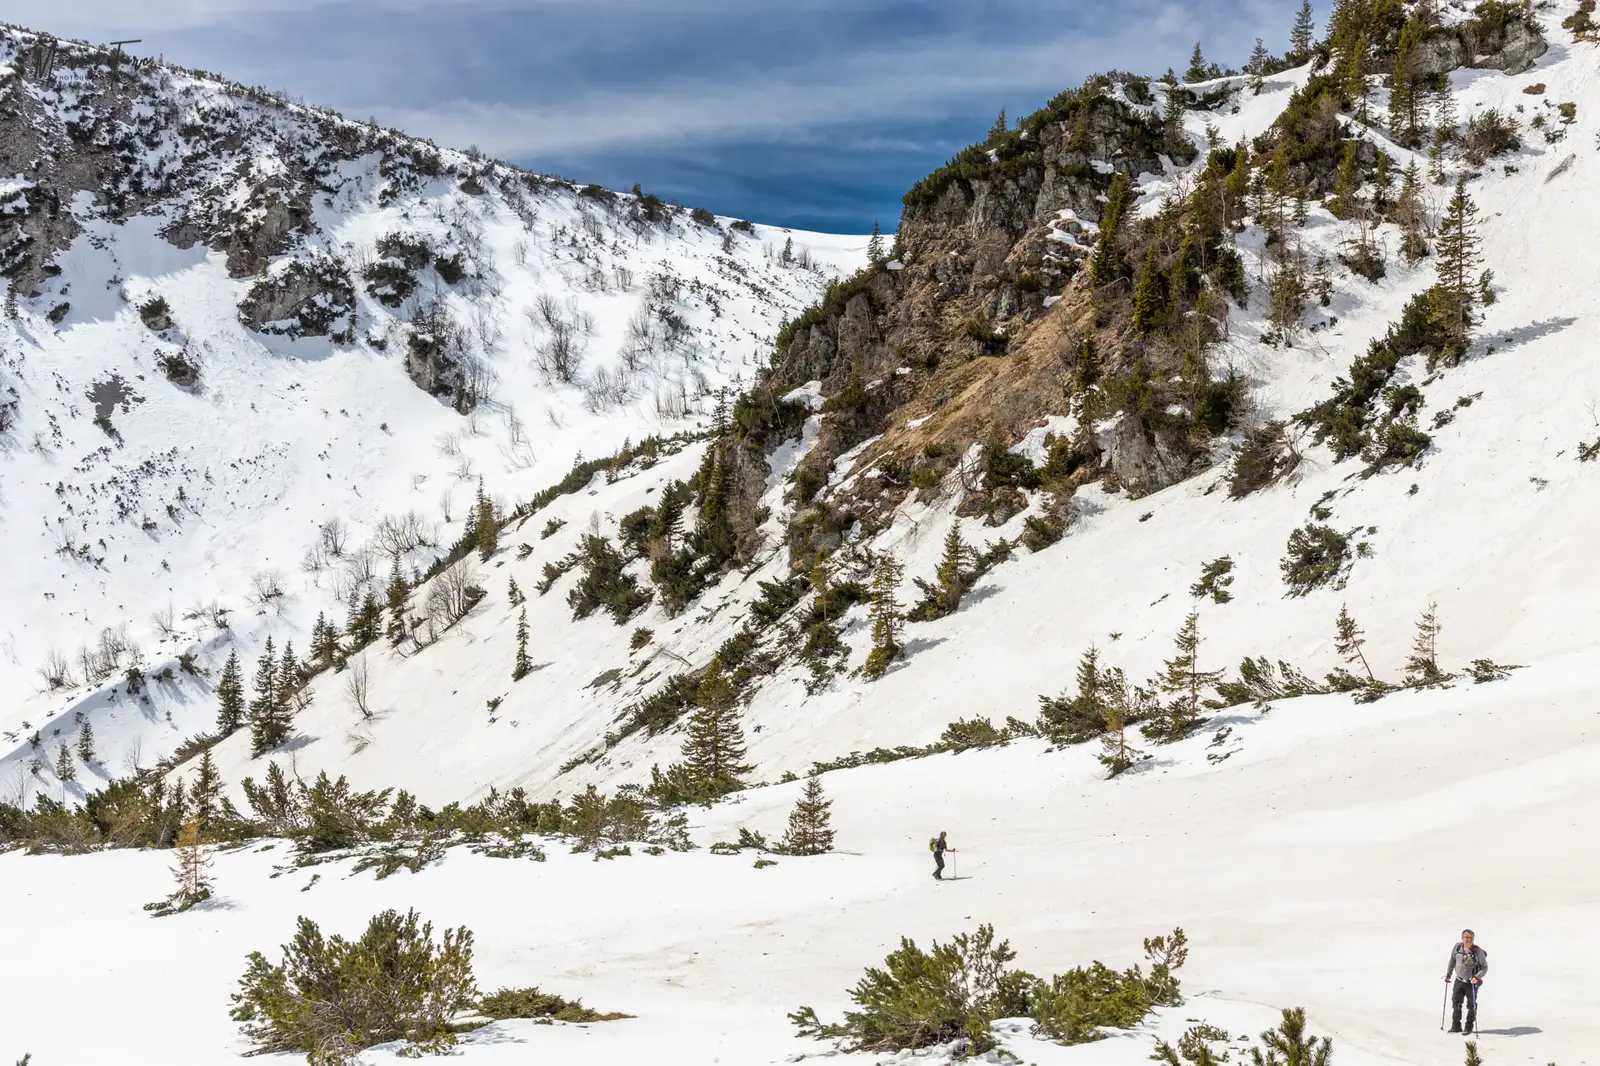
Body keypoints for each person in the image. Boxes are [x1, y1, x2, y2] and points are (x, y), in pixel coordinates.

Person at [1444, 928, 1488, 1033]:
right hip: (1459, 980)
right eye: (1466, 937)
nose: (1468, 939)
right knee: (1456, 1003)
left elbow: (1485, 967)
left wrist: (1477, 977)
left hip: (1471, 982)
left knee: (1471, 1005)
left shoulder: (1477, 951)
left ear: (1473, 939)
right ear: (1462, 938)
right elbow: (1452, 960)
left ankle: (1468, 1027)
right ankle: (1456, 1026)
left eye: (1470, 938)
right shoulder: (1457, 947)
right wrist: (1448, 974)